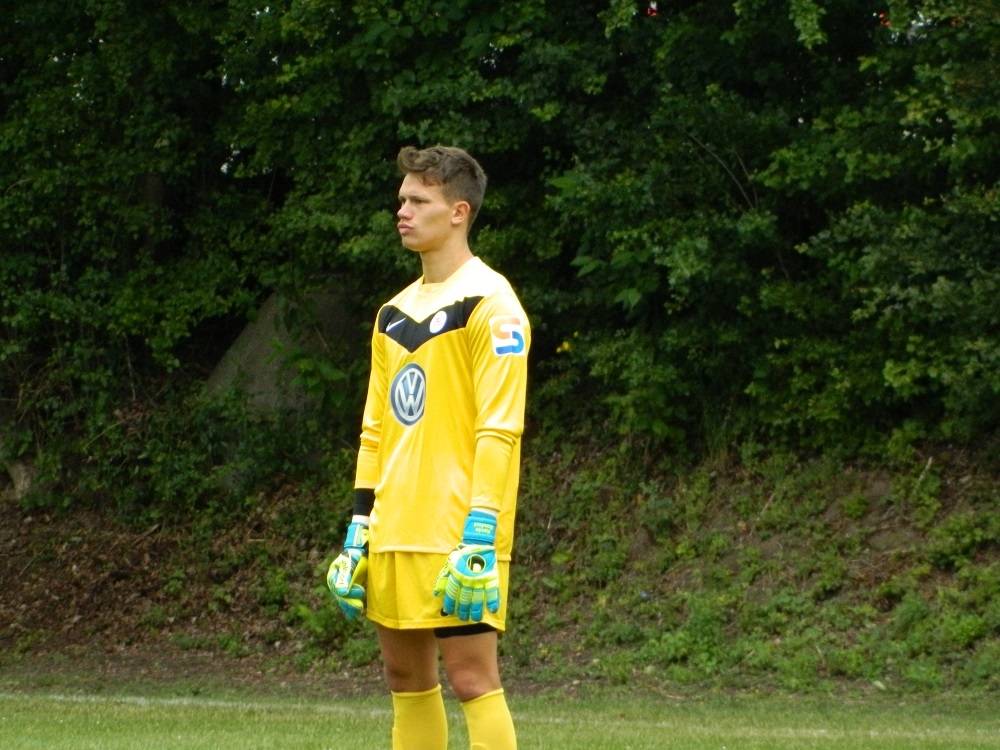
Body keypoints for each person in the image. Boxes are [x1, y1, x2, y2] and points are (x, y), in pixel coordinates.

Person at [327, 144, 530, 750]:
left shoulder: (492, 303)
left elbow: (500, 426)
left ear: (459, 211)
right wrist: (358, 529)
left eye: (419, 200)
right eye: (402, 200)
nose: (403, 211)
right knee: (405, 679)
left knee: (472, 679)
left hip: (459, 528)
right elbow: (375, 429)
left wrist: (481, 530)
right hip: (395, 524)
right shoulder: (392, 313)